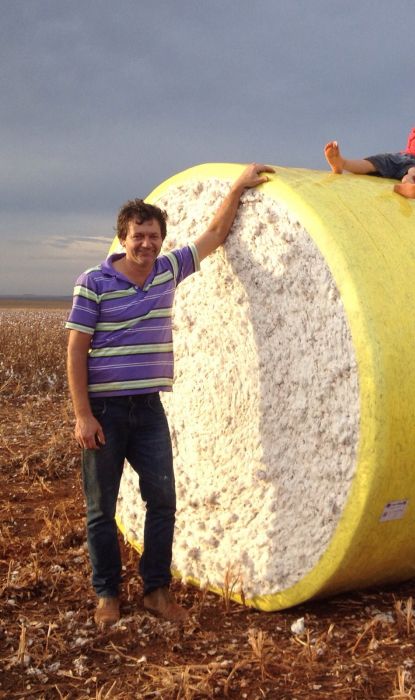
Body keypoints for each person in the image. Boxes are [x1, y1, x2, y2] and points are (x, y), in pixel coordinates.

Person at [66, 162, 274, 627]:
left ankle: (156, 591)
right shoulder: (93, 283)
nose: (146, 244)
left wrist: (238, 186)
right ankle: (107, 595)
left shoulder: (167, 271)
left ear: (162, 237)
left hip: (149, 409)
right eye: (137, 236)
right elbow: (76, 350)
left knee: (163, 500)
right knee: (101, 509)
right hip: (105, 410)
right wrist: (83, 415)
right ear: (123, 238)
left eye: (153, 235)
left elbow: (215, 234)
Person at [324, 79, 415, 199]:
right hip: (401, 157)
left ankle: (407, 186)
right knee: (375, 162)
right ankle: (342, 163)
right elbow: (407, 153)